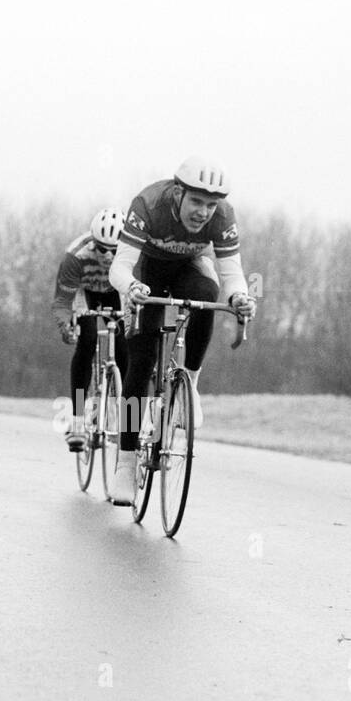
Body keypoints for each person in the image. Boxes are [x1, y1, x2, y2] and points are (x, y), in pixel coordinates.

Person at [106, 155, 257, 504]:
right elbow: (120, 268)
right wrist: (130, 287)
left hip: (188, 267)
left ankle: (191, 382)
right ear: (177, 193)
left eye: (210, 204)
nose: (203, 212)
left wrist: (241, 297)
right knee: (140, 362)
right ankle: (126, 465)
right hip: (144, 271)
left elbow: (232, 274)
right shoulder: (148, 204)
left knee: (208, 294)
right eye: (196, 202)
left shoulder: (223, 217)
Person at [52, 208, 130, 451]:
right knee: (86, 341)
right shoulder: (76, 256)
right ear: (93, 241)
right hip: (85, 294)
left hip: (117, 293)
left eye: (113, 250)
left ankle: (128, 421)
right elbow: (62, 302)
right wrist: (66, 325)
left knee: (128, 348)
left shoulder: (132, 254)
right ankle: (77, 421)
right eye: (101, 248)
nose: (107, 256)